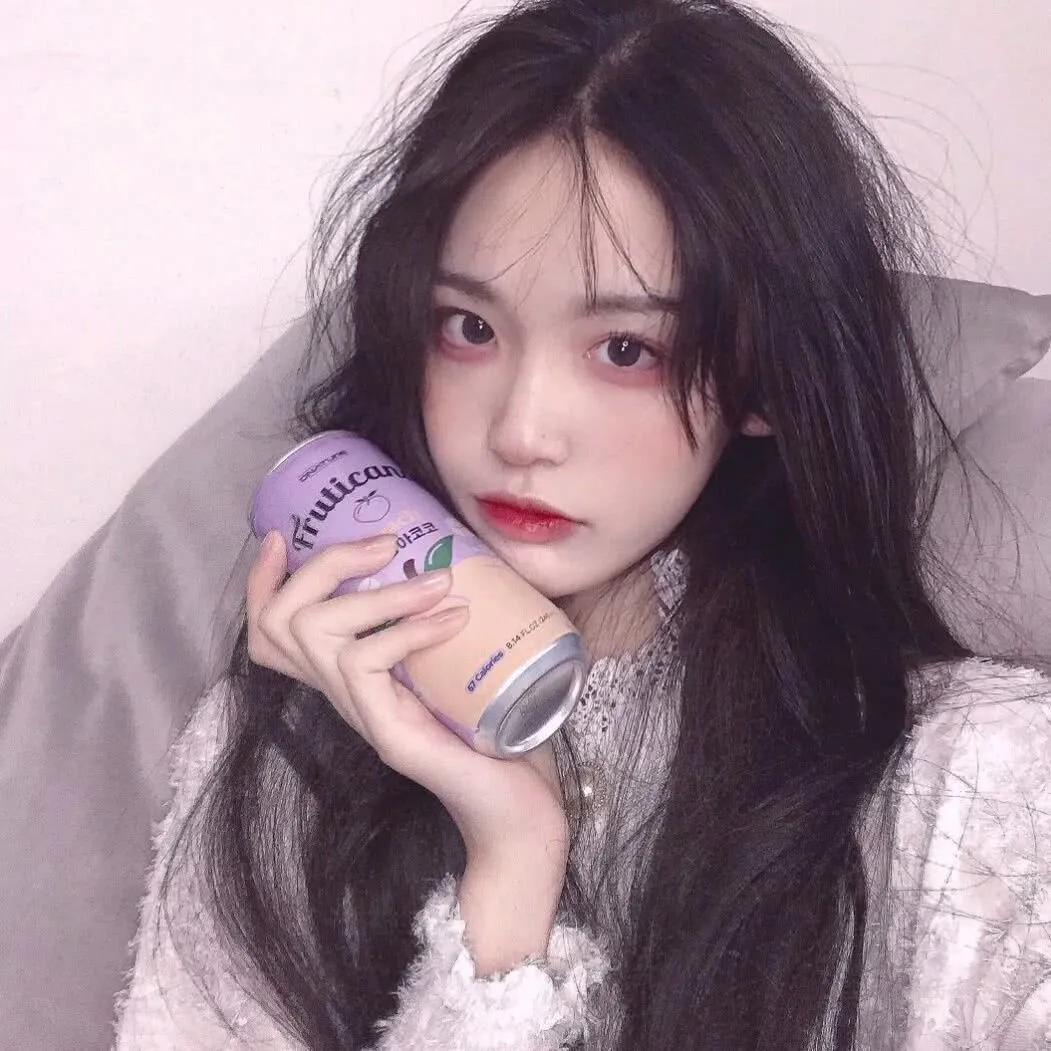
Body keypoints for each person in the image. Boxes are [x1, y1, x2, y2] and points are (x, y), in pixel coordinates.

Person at [112, 0, 1051, 1047]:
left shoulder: (976, 783)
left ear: (763, 378)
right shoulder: (284, 764)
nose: (520, 431)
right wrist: (510, 862)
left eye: (625, 350)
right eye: (468, 327)